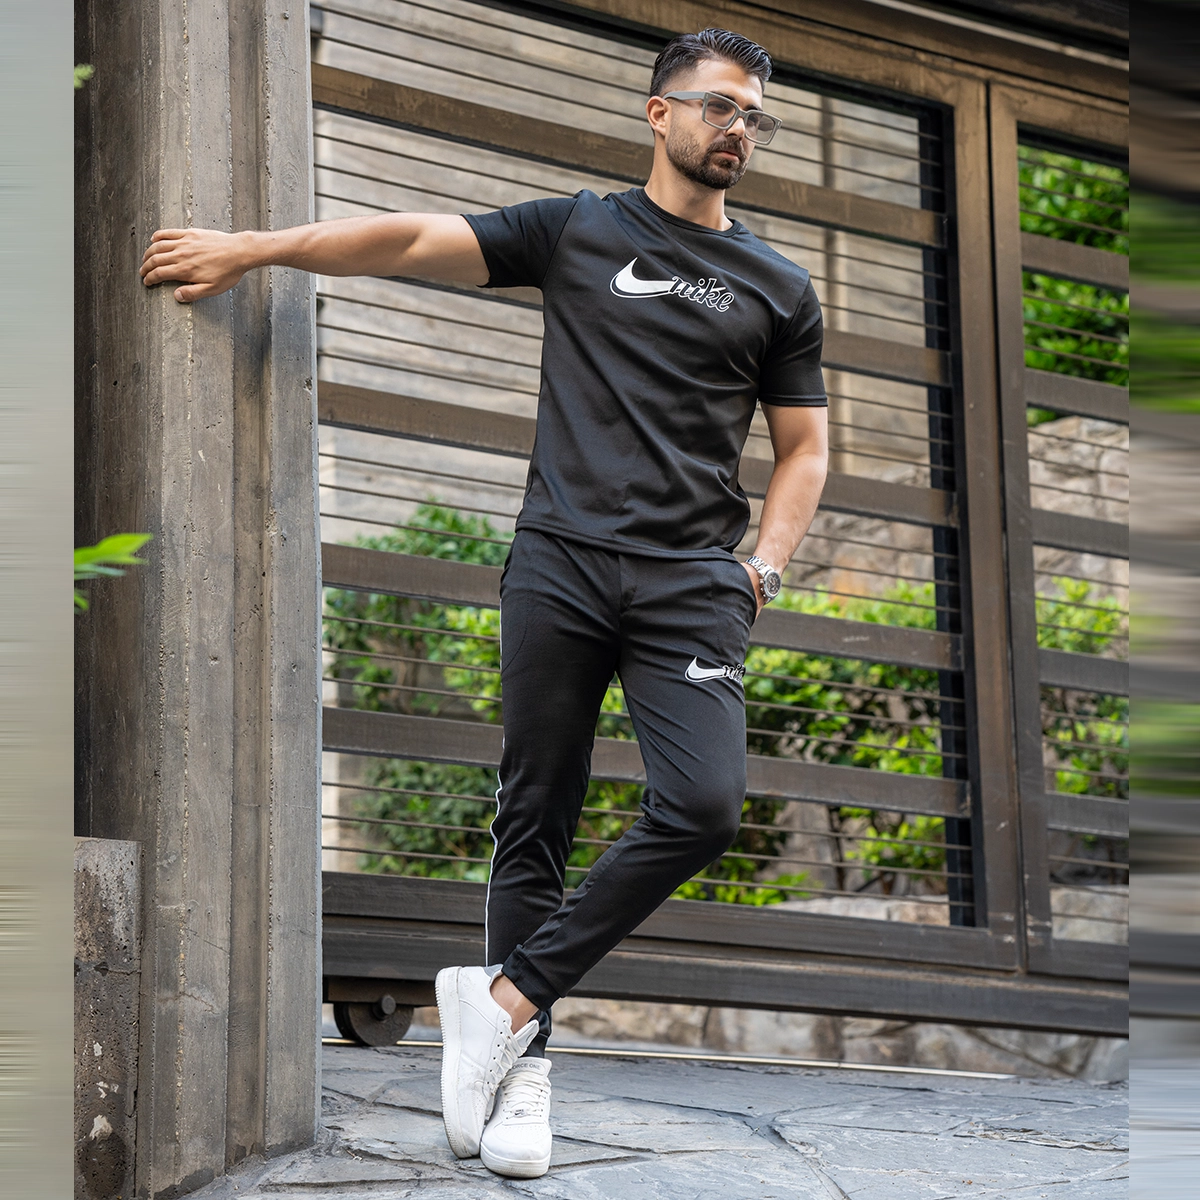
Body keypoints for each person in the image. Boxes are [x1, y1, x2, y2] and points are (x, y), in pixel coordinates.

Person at [140, 26, 828, 1181]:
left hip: (690, 581)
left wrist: (764, 565)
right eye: (720, 105)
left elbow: (804, 447)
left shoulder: (779, 285)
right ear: (659, 112)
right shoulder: (580, 229)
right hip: (561, 561)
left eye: (755, 115)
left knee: (704, 806)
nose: (740, 129)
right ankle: (520, 1072)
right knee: (536, 813)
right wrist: (256, 248)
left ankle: (503, 1002)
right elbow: (412, 237)